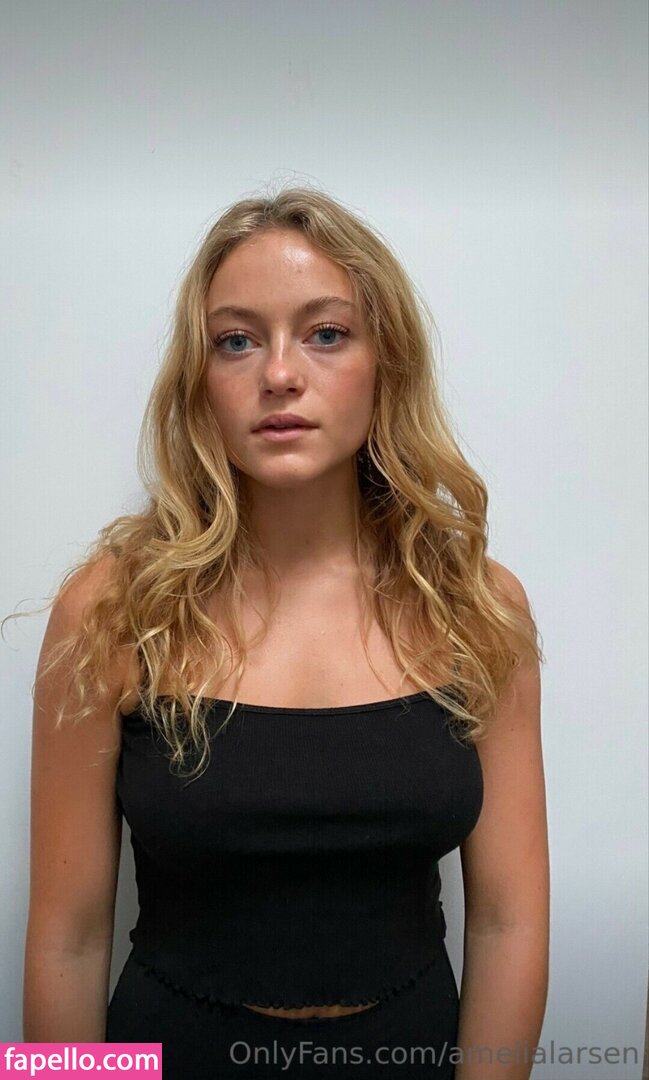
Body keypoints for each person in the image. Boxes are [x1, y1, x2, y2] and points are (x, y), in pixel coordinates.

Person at [20, 184, 549, 1078]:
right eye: (236, 340)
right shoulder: (112, 611)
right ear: (198, 381)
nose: (278, 373)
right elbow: (66, 940)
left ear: (386, 362)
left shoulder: (474, 606)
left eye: (325, 333)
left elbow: (509, 922)